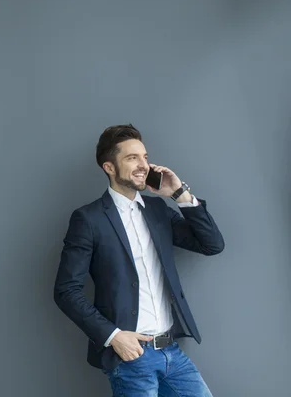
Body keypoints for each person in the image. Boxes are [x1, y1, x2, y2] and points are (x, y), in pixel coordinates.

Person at [53, 124, 224, 396]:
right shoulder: (89, 219)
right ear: (109, 167)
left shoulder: (157, 210)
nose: (143, 164)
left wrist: (180, 194)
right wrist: (114, 337)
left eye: (144, 157)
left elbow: (212, 244)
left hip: (172, 352)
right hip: (131, 357)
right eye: (132, 158)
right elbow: (66, 291)